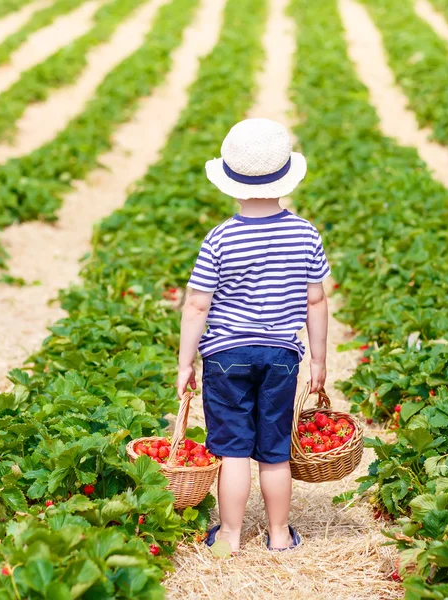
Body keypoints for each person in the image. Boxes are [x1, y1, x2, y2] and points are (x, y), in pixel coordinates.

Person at [176, 118, 329, 553]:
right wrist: (318, 360)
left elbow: (196, 305)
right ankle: (280, 535)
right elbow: (315, 301)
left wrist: (186, 362)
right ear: (286, 179)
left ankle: (229, 534)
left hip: (227, 355)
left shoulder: (219, 238)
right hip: (282, 355)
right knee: (276, 449)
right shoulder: (305, 232)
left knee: (234, 449)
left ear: (231, 183)